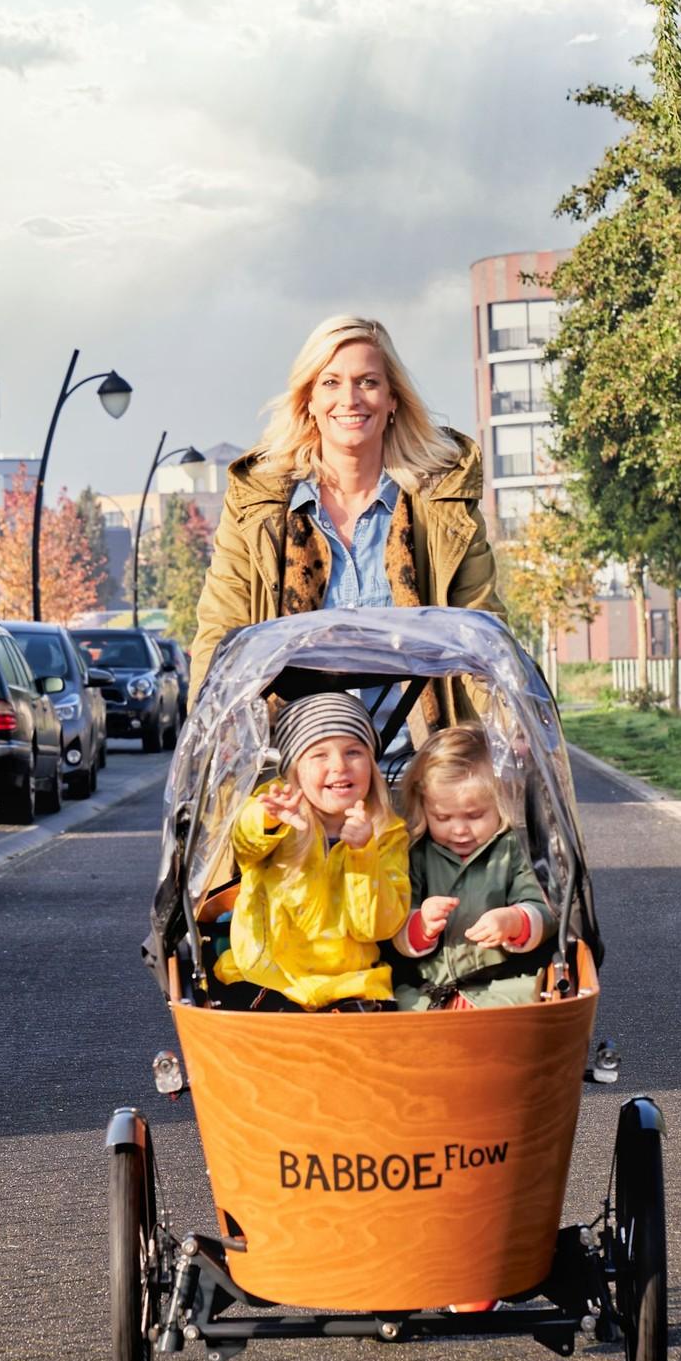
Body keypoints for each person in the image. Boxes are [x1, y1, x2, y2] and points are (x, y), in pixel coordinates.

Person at [190, 315, 503, 730]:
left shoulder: (443, 506)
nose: (350, 399)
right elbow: (221, 631)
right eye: (331, 382)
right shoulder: (258, 509)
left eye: (368, 382)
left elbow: (481, 634)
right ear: (309, 402)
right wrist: (212, 729)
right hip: (296, 769)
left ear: (393, 398)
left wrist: (506, 722)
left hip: (419, 768)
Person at [217, 693, 412, 1011]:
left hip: (350, 981)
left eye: (353, 752)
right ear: (294, 770)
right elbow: (243, 843)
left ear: (372, 763)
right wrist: (269, 821)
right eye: (319, 755)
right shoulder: (277, 805)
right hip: (267, 975)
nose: (339, 766)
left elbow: (377, 927)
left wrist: (364, 853)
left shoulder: (387, 832)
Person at [390, 723, 553, 1011]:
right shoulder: (417, 854)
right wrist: (421, 924)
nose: (460, 830)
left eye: (475, 815)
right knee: (395, 1024)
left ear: (501, 802)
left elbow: (543, 907)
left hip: (502, 985)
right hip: (426, 988)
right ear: (424, 808)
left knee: (516, 1024)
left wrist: (515, 920)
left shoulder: (512, 849)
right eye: (443, 817)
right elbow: (394, 924)